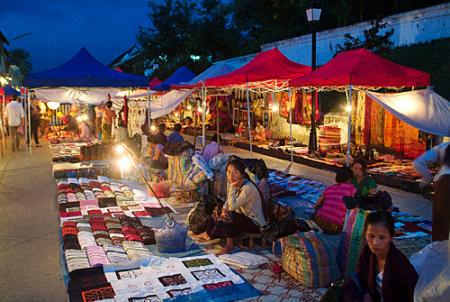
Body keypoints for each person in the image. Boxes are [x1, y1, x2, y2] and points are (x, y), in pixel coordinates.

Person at [195, 159, 268, 255]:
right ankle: (208, 233)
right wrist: (224, 208)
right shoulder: (236, 184)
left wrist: (232, 188)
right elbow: (228, 202)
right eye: (229, 172)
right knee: (219, 208)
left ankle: (229, 246)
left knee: (228, 214)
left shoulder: (248, 188)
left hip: (255, 224)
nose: (231, 176)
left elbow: (232, 207)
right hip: (244, 217)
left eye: (235, 173)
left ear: (242, 174)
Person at [342, 211, 418, 302]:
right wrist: (366, 293)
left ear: (391, 237)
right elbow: (360, 277)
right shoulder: (367, 252)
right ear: (365, 234)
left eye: (382, 237)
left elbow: (411, 296)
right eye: (371, 236)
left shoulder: (401, 265)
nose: (375, 243)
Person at [413, 142, 450, 241]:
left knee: (441, 222)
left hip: (444, 184)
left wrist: (428, 179)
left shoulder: (443, 147)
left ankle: (440, 249)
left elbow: (418, 163)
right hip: (443, 184)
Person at [313, 167, 356, 234]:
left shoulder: (330, 188)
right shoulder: (351, 189)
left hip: (318, 222)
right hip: (335, 227)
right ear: (349, 179)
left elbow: (316, 205)